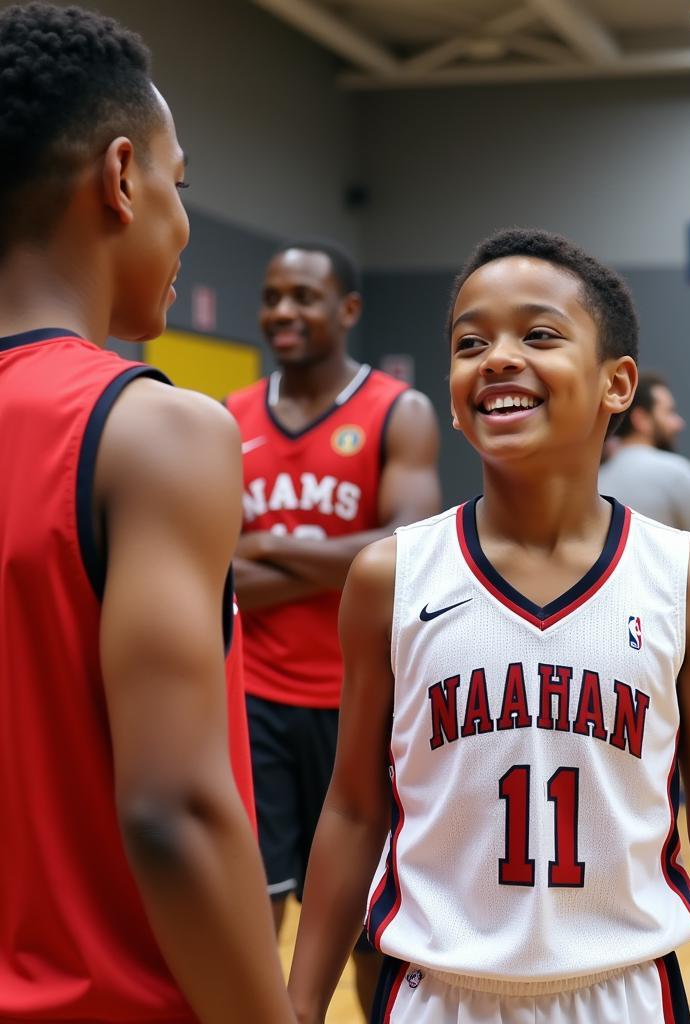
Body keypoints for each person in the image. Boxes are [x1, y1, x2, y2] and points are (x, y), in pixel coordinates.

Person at [287, 228, 690, 1023]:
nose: (497, 357)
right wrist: (301, 1004)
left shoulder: (686, 580)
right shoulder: (391, 577)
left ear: (617, 385)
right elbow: (356, 809)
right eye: (471, 342)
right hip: (436, 994)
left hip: (622, 992)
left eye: (537, 334)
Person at [0, 5, 294, 1023]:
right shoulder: (156, 430)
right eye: (181, 180)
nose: (184, 220)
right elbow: (171, 812)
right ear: (121, 179)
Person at [225, 241, 441, 1017]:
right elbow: (215, 573)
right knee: (254, 908)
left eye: (304, 296)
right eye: (273, 295)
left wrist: (265, 544)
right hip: (251, 697)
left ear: (348, 309)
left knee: (366, 926)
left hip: (362, 707)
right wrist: (338, 559)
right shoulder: (230, 417)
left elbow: (406, 549)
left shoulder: (397, 410)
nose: (284, 311)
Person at [599, 371, 690, 581]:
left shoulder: (596, 478)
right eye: (669, 412)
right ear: (642, 419)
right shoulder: (676, 473)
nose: (678, 423)